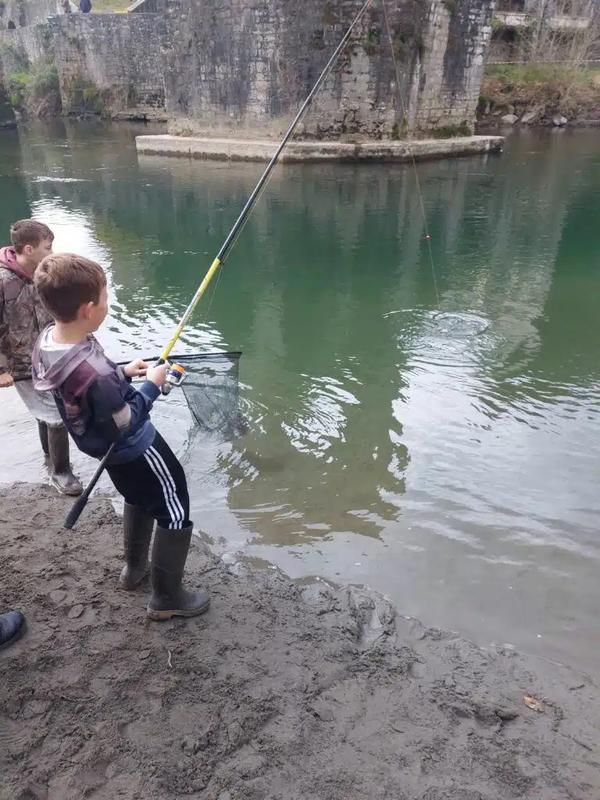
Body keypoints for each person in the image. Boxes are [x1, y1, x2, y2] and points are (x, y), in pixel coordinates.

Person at [32, 253, 209, 621]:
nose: (108, 305)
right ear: (88, 309)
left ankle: (134, 570)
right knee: (174, 506)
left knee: (137, 495)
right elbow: (125, 421)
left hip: (105, 453)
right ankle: (166, 599)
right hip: (136, 448)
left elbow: (88, 383)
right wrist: (152, 387)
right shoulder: (94, 372)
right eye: (106, 299)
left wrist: (122, 371)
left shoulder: (49, 340)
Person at [0, 220, 82, 496]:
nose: (52, 251)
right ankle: (62, 473)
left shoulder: (42, 274)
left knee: (45, 411)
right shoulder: (3, 282)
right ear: (28, 248)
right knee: (56, 414)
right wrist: (1, 369)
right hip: (19, 364)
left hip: (47, 357)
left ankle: (50, 457)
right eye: (48, 247)